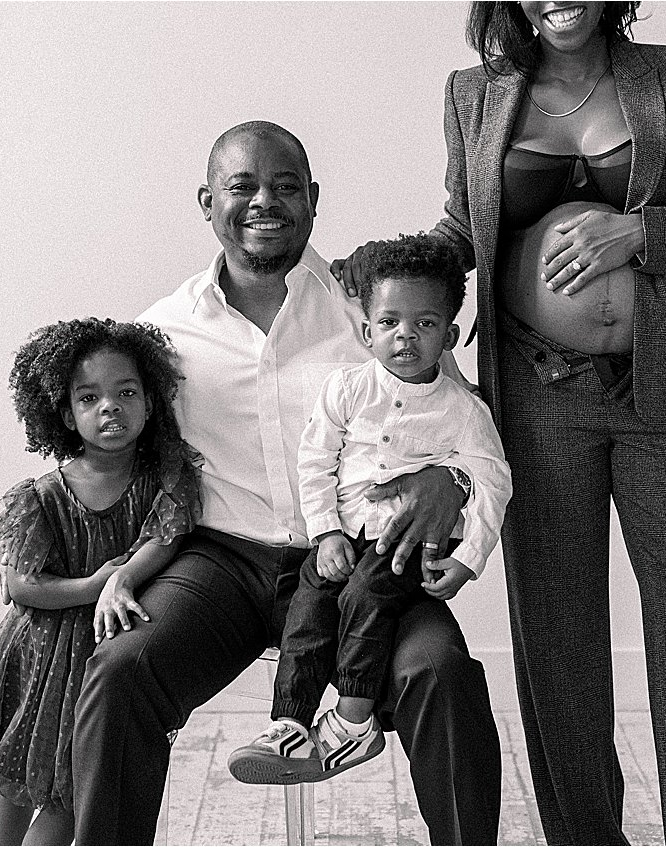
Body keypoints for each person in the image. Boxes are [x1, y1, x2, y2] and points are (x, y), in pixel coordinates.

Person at [332, 3, 666, 844]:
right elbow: (465, 226)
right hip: (535, 391)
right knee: (558, 635)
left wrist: (637, 232)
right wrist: (384, 278)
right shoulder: (474, 93)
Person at [69, 122, 503, 845]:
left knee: (441, 672)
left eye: (285, 185)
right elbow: (108, 442)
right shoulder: (160, 333)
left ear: (313, 199)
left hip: (361, 559)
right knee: (119, 672)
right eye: (241, 186)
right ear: (207, 201)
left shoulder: (371, 310)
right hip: (221, 562)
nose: (263, 200)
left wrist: (452, 479)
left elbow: (463, 422)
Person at [227, 234, 511, 785]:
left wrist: (469, 558)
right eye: (389, 323)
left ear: (450, 335)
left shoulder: (462, 411)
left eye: (425, 325)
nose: (405, 335)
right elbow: (316, 462)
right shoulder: (348, 388)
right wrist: (326, 534)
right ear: (368, 331)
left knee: (365, 595)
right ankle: (289, 721)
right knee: (311, 605)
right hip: (345, 535)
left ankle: (354, 719)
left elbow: (493, 480)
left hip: (407, 542)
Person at [0, 318, 200, 846]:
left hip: (101, 653)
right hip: (40, 653)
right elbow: (24, 585)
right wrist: (99, 584)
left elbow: (167, 538)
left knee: (73, 781)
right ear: (66, 414)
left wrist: (124, 579)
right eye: (89, 398)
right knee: (21, 765)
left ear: (152, 402)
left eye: (126, 392)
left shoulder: (164, 476)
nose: (109, 407)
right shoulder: (44, 495)